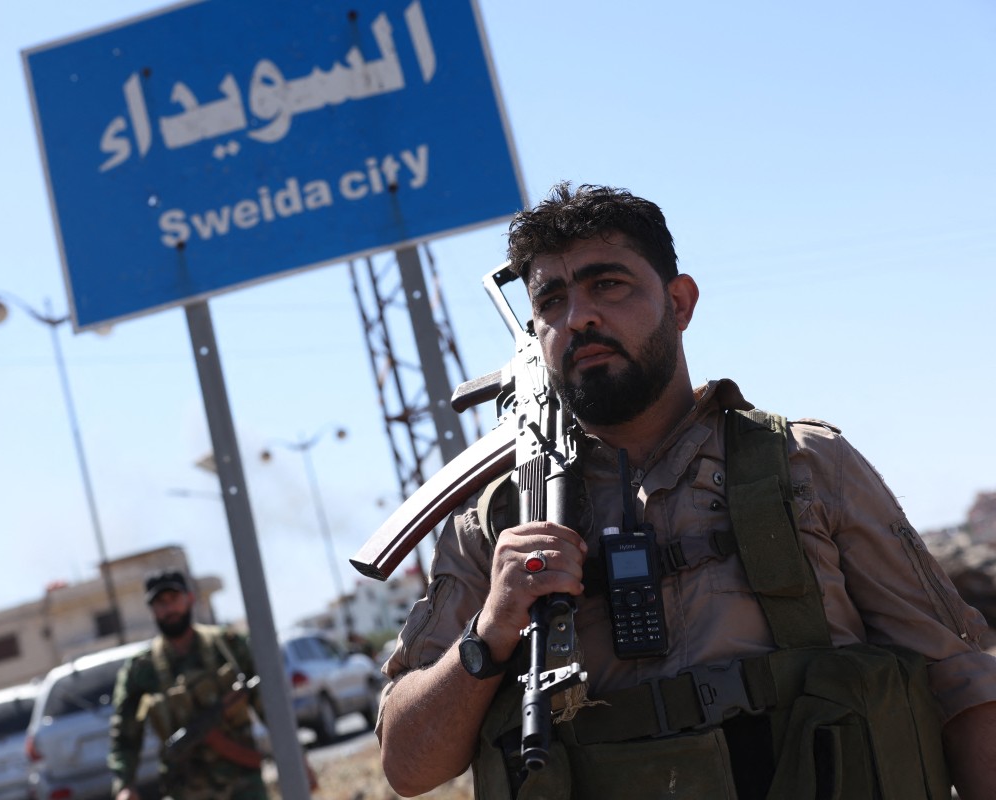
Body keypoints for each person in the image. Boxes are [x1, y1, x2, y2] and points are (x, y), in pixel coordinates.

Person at [376, 183, 996, 799]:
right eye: (552, 300)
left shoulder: (806, 465)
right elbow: (407, 766)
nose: (578, 317)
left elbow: (962, 684)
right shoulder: (500, 522)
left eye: (608, 284)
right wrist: (491, 629)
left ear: (679, 302)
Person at [109, 569, 266, 800]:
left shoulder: (227, 645)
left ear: (189, 598)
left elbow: (268, 702)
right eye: (160, 603)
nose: (169, 608)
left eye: (174, 598)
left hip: (243, 784)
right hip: (185, 788)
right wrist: (124, 784)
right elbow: (125, 732)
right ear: (151, 609)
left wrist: (295, 755)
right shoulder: (142, 668)